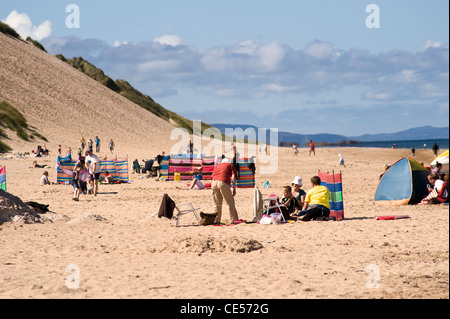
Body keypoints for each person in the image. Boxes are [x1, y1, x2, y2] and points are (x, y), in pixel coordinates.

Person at [211, 157, 239, 224]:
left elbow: (213, 176)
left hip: (214, 182)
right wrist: (234, 189)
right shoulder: (230, 165)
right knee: (230, 202)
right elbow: (233, 177)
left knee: (217, 203)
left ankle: (216, 220)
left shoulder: (218, 165)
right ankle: (234, 220)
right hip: (223, 182)